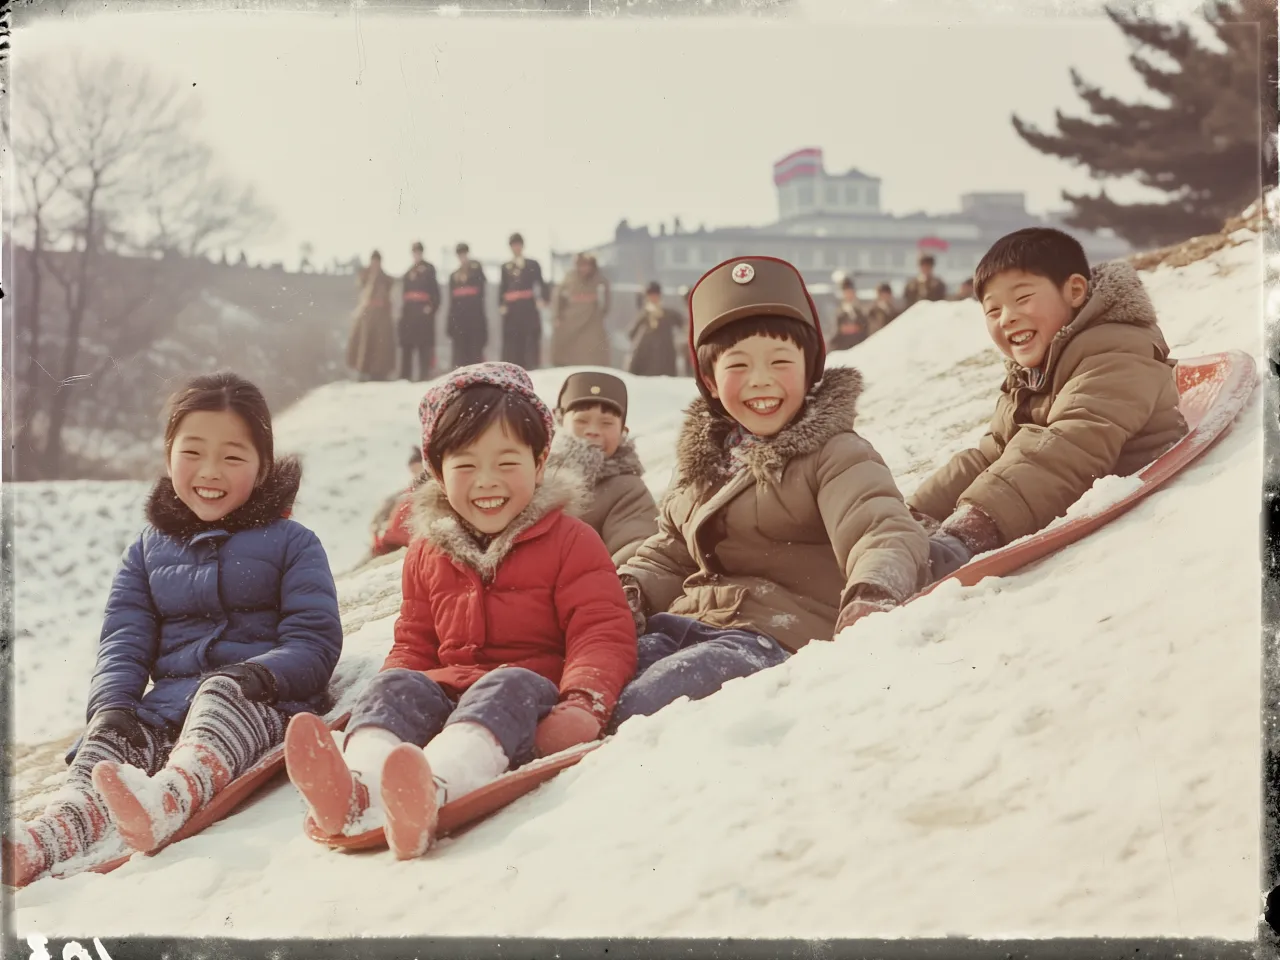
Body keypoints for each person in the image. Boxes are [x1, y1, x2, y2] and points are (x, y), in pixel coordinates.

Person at [283, 363, 636, 860]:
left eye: (507, 463)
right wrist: (387, 698)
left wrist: (583, 704)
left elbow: (601, 631)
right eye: (466, 466)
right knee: (396, 684)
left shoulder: (572, 542)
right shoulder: (427, 550)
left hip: (528, 694)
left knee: (505, 684)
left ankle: (434, 787)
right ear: (438, 471)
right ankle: (357, 784)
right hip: (448, 690)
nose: (486, 482)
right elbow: (414, 642)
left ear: (538, 465)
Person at [3, 373, 343, 885]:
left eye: (232, 457)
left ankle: (171, 796)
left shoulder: (294, 543)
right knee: (110, 737)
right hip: (165, 712)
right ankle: (49, 834)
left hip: (261, 699)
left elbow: (315, 640)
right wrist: (113, 706)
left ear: (262, 465)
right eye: (193, 453)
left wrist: (260, 677)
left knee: (217, 696)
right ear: (168, 457)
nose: (210, 472)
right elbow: (124, 641)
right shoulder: (146, 551)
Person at [611, 257, 929, 728]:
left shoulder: (834, 454)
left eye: (780, 362)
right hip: (690, 624)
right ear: (711, 384)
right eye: (738, 365)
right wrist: (629, 589)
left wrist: (873, 590)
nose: (761, 379)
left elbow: (878, 525)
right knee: (606, 671)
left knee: (644, 699)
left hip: (773, 635)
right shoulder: (706, 463)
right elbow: (671, 553)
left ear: (809, 370)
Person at [908, 227, 1190, 582]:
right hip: (1049, 484)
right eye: (992, 310)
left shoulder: (1117, 348)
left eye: (1022, 299)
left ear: (1074, 291)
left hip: (1119, 481)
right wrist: (912, 515)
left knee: (1034, 443)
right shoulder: (1036, 369)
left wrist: (970, 530)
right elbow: (993, 452)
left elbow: (1072, 444)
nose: (1006, 317)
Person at [546, 371, 659, 567]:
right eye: (582, 420)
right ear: (559, 422)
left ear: (624, 431)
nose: (593, 430)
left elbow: (635, 545)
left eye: (607, 423)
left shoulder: (628, 489)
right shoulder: (535, 475)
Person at [498, 232, 551, 371]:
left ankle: (532, 367)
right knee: (512, 341)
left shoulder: (532, 264)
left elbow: (542, 283)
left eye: (518, 244)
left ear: (522, 246)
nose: (516, 248)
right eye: (513, 245)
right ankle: (513, 369)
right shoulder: (505, 266)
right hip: (512, 309)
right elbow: (502, 288)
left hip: (528, 307)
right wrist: (501, 305)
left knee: (530, 339)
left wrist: (544, 299)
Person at [551, 253, 612, 367]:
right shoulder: (570, 276)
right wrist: (558, 315)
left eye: (587, 265)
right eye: (581, 265)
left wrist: (603, 311)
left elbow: (606, 291)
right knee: (568, 346)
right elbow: (558, 295)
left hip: (592, 316)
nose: (584, 268)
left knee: (592, 345)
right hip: (572, 315)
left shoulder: (597, 277)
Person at [368, 446, 426, 559]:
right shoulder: (403, 495)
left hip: (402, 542)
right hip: (388, 542)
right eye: (413, 472)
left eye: (418, 470)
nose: (415, 475)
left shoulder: (428, 492)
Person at [348, 251, 397, 381]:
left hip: (381, 314)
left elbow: (389, 292)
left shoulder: (386, 278)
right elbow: (361, 288)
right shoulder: (365, 275)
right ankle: (363, 370)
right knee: (365, 342)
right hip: (367, 314)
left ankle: (379, 372)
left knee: (381, 345)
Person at [400, 242, 441, 381]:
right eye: (414, 251)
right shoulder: (407, 272)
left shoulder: (429, 269)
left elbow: (435, 292)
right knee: (408, 345)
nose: (416, 254)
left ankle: (424, 375)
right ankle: (406, 376)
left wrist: (431, 308)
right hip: (410, 314)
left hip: (423, 314)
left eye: (418, 251)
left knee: (424, 346)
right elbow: (405, 295)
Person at [627, 281, 683, 377]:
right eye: (651, 295)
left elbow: (682, 323)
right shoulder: (644, 315)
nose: (653, 298)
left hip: (665, 362)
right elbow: (631, 333)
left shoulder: (668, 313)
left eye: (655, 295)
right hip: (645, 363)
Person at [447, 243, 488, 369]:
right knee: (460, 354)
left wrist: (474, 265)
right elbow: (451, 301)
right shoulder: (454, 276)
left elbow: (481, 286)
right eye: (460, 254)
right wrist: (450, 322)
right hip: (459, 319)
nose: (462, 257)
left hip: (474, 318)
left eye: (464, 254)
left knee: (475, 353)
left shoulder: (476, 270)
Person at [829, 276, 871, 350]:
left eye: (851, 292)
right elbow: (834, 334)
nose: (849, 294)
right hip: (843, 348)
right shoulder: (839, 313)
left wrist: (856, 328)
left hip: (858, 347)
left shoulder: (860, 312)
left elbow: (866, 330)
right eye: (847, 292)